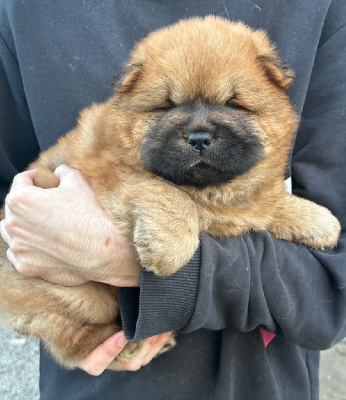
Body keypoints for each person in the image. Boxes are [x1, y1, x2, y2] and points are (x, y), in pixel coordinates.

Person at [0, 0, 345, 399]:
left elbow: (332, 289)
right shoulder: (25, 11)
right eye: (165, 106)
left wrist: (159, 270)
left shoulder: (324, 10)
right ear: (128, 98)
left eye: (234, 104)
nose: (199, 131)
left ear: (275, 87)